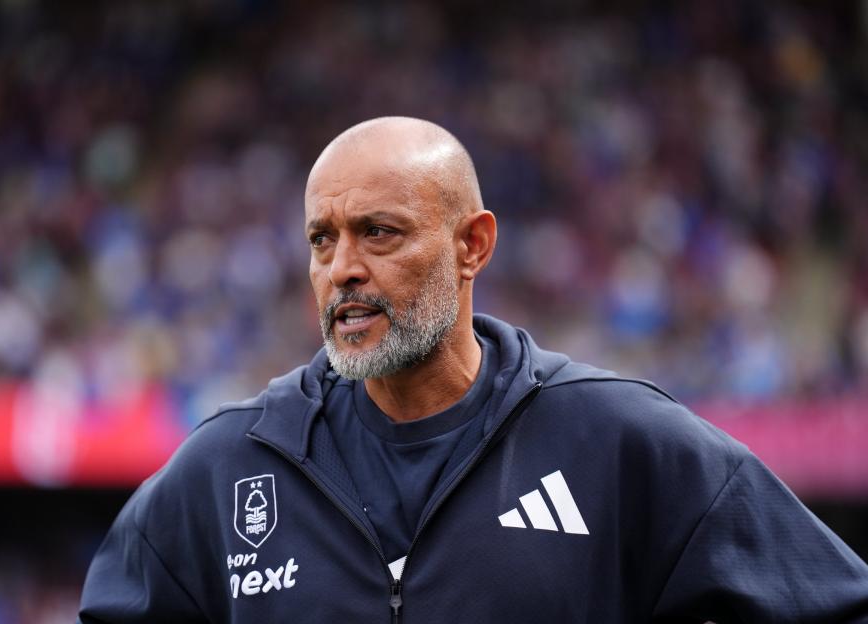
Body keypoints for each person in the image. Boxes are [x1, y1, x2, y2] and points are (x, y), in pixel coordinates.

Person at [78, 117, 868, 623]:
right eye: (322, 240)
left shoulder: (620, 440)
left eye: (377, 233)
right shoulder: (228, 466)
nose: (341, 269)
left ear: (472, 245)